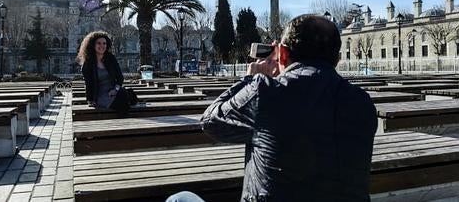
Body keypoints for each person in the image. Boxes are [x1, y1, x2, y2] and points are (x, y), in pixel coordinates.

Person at [169, 14, 377, 202]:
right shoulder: (362, 103)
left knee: (180, 199)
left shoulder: (266, 92)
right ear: (337, 60)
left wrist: (250, 79)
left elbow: (210, 122)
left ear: (283, 54)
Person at [77, 31, 124, 109]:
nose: (102, 46)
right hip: (100, 96)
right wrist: (90, 100)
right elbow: (88, 84)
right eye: (98, 43)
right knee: (122, 102)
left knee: (124, 96)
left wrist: (115, 90)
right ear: (93, 45)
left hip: (114, 93)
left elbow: (120, 78)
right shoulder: (88, 63)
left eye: (104, 43)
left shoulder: (111, 58)